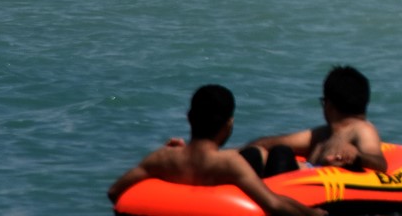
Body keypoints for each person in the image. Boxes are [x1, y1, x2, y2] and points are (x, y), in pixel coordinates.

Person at [107, 84, 325, 216]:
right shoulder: (228, 163)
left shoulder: (162, 158)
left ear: (190, 117)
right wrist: (313, 214)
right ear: (228, 125)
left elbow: (114, 192)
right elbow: (274, 204)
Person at [243, 66, 387, 175]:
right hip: (301, 187)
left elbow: (379, 163)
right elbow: (267, 143)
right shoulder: (322, 134)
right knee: (261, 153)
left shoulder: (362, 129)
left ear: (328, 105)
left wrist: (356, 157)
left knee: (281, 154)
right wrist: (233, 156)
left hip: (321, 197)